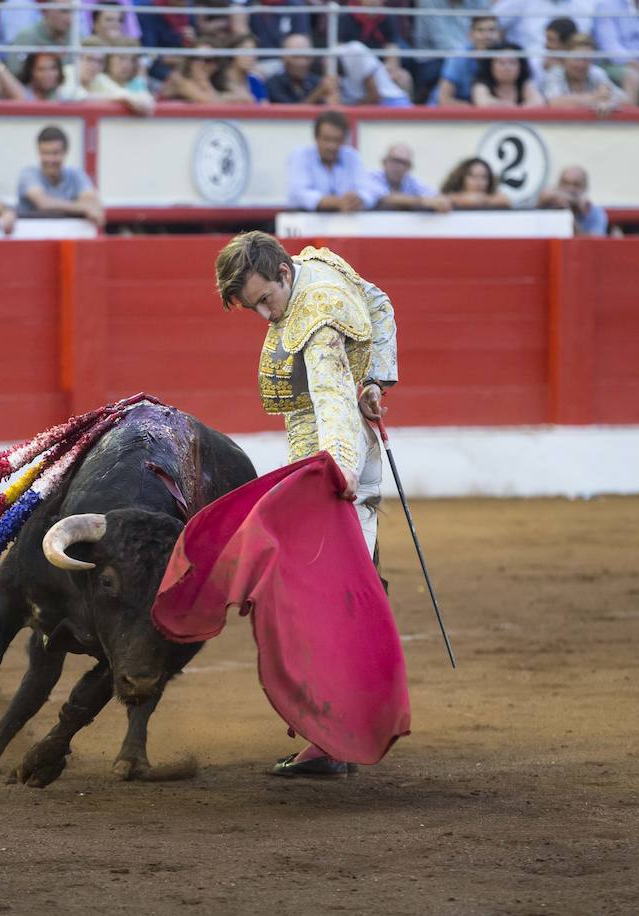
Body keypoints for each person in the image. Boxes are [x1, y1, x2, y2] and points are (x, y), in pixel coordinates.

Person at [212, 231, 399, 778]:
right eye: (253, 308)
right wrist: (377, 379)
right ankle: (334, 732)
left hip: (330, 460)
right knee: (329, 587)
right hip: (327, 455)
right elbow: (380, 303)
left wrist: (332, 473)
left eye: (265, 300)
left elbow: (331, 401)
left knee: (325, 595)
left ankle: (337, 737)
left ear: (284, 275)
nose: (264, 316)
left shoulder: (315, 320)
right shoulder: (317, 265)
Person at [286, 110, 379, 213]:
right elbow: (298, 194)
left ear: (345, 139)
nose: (332, 146)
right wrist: (335, 202)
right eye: (327, 139)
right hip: (308, 219)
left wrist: (359, 199)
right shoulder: (301, 155)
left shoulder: (352, 156)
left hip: (347, 220)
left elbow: (370, 191)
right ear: (316, 138)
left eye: (337, 140)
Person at [16, 125, 104, 227]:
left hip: (69, 239)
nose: (50, 159)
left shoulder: (76, 174)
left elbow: (93, 204)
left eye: (55, 153)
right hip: (31, 239)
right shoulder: (29, 174)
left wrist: (87, 207)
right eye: (45, 153)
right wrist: (82, 208)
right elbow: (43, 203)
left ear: (65, 153)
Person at [414, 0, 491, 102]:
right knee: (459, 61)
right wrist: (473, 50)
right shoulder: (428, 2)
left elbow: (489, 22)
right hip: (435, 58)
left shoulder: (479, 2)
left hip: (473, 52)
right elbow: (441, 42)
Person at [542, 32, 629, 112]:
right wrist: (595, 98)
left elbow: (626, 100)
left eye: (587, 59)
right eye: (577, 59)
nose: (582, 65)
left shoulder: (596, 73)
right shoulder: (556, 73)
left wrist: (610, 104)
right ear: (565, 59)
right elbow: (554, 103)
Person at [432, 15, 501, 107]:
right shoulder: (459, 57)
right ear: (470, 35)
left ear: (500, 34)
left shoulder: (506, 56)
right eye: (480, 30)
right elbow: (444, 99)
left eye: (492, 30)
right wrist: (476, 111)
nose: (487, 36)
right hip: (448, 115)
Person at [365, 143, 453, 211]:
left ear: (410, 168)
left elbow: (436, 196)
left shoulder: (411, 181)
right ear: (384, 162)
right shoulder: (371, 177)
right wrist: (423, 202)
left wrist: (440, 201)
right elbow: (384, 198)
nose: (399, 167)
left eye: (405, 163)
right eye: (395, 161)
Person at [265, 33, 340, 105]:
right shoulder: (273, 84)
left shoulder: (316, 82)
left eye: (307, 57)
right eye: (296, 57)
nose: (303, 62)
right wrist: (318, 94)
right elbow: (290, 115)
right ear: (284, 58)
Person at [538, 165, 609, 235]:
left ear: (585, 188)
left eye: (576, 185)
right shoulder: (549, 203)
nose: (570, 189)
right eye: (565, 183)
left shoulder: (594, 212)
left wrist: (568, 215)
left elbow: (594, 243)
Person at [337, 40, 412, 106]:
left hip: (392, 104)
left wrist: (350, 109)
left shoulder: (354, 52)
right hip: (372, 106)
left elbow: (374, 96)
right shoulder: (332, 64)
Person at [8, 0, 70, 78]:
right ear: (47, 11)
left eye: (73, 12)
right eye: (64, 11)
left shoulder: (76, 37)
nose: (69, 18)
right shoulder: (27, 37)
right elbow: (15, 73)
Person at [472, 41, 546, 106]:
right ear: (490, 66)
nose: (507, 68)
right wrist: (516, 108)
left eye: (512, 62)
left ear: (521, 66)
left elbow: (538, 103)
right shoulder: (481, 85)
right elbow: (483, 103)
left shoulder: (526, 84)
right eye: (501, 63)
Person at [439, 156, 512, 208]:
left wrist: (480, 200)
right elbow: (442, 199)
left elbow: (504, 200)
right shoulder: (447, 198)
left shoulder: (496, 198)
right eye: (473, 176)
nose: (479, 182)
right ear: (461, 178)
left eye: (484, 177)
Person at [213, 33, 266, 103]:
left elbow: (265, 107)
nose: (251, 56)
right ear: (232, 53)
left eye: (254, 51)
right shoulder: (217, 79)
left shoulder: (255, 81)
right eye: (245, 51)